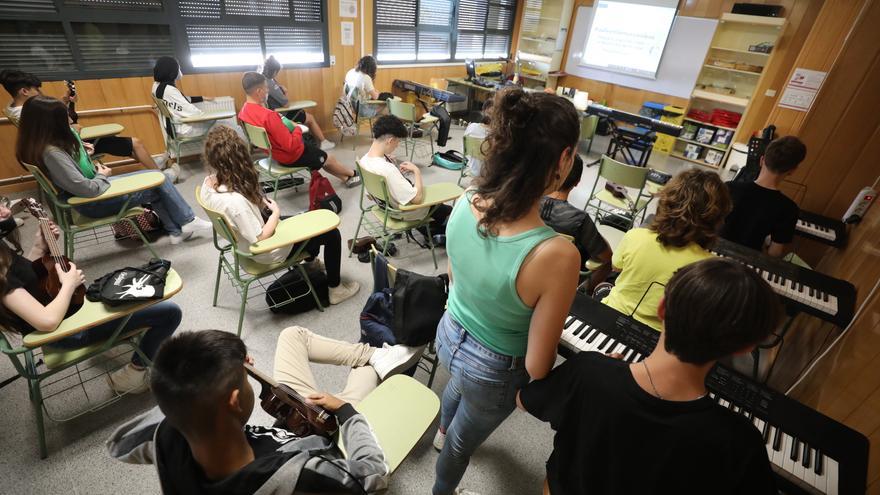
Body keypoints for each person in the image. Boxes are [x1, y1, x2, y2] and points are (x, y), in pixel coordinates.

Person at [518, 258, 780, 495]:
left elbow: (524, 400)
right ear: (746, 348)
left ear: (662, 308)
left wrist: (597, 371)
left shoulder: (589, 371)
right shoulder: (739, 442)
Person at [432, 89, 582, 495]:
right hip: (495, 368)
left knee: (455, 386)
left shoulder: (465, 200)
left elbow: (456, 274)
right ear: (564, 159)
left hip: (448, 333)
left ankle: (438, 433)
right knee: (464, 442)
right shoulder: (558, 254)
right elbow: (536, 367)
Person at [107, 327, 426, 493]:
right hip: (328, 440)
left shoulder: (170, 432)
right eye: (247, 379)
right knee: (367, 374)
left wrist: (215, 368)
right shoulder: (299, 476)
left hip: (286, 421)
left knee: (292, 337)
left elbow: (118, 443)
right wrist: (347, 414)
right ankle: (376, 359)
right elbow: (373, 475)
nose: (252, 375)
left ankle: (373, 357)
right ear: (233, 402)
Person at [0, 202, 181, 393]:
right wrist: (69, 284)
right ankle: (134, 375)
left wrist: (38, 246)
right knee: (170, 313)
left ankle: (135, 333)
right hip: (67, 332)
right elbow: (47, 322)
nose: (6, 210)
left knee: (132, 291)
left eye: (2, 203)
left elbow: (24, 277)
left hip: (70, 313)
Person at [15, 96, 212, 245]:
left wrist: (83, 153)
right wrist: (102, 174)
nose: (69, 119)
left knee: (158, 182)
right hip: (90, 202)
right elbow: (87, 189)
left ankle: (177, 231)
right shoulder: (52, 153)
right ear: (51, 124)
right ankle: (186, 221)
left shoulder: (42, 146)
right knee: (160, 180)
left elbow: (73, 175)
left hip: (89, 195)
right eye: (63, 116)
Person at [200, 125, 360, 305]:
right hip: (265, 250)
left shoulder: (208, 184)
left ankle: (310, 263)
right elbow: (259, 237)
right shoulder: (235, 203)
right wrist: (275, 213)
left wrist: (259, 204)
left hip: (241, 242)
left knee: (303, 219)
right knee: (331, 234)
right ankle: (335, 289)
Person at [599, 168, 731, 332]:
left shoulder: (635, 235)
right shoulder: (709, 266)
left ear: (666, 202)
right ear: (716, 219)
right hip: (657, 337)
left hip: (608, 317)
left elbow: (616, 267)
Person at [0, 69, 160, 170]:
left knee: (126, 145)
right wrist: (69, 120)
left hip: (64, 147)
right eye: (36, 90)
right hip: (72, 149)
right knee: (135, 143)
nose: (39, 93)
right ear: (24, 91)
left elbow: (49, 119)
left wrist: (63, 101)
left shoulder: (11, 108)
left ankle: (152, 168)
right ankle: (161, 178)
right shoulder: (29, 112)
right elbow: (70, 126)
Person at [238, 72, 360, 188]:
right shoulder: (269, 116)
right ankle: (353, 173)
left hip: (274, 153)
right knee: (327, 158)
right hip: (290, 156)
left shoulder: (244, 112)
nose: (267, 91)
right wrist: (297, 128)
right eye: (266, 88)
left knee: (321, 156)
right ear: (259, 92)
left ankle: (347, 178)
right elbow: (290, 145)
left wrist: (284, 124)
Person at [360, 115, 452, 243]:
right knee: (448, 210)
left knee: (439, 208)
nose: (397, 145)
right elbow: (417, 199)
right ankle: (440, 232)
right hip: (403, 212)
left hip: (384, 207)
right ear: (390, 140)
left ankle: (432, 229)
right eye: (398, 142)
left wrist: (391, 165)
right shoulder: (387, 170)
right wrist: (416, 171)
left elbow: (369, 196)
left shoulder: (363, 161)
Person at [539, 155, 613, 292]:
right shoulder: (579, 219)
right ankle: (582, 294)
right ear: (577, 182)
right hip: (561, 277)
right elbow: (606, 256)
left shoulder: (529, 205)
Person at [721, 136, 805, 257]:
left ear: (761, 160)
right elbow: (775, 252)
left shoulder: (729, 188)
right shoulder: (789, 208)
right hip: (748, 262)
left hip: (714, 253)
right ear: (792, 170)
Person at [151, 56, 239, 140]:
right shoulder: (169, 90)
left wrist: (202, 98)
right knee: (229, 127)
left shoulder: (156, 86)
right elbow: (192, 112)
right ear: (171, 72)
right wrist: (210, 116)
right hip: (184, 129)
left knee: (223, 125)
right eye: (178, 68)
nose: (180, 71)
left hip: (171, 127)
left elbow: (180, 100)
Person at [262, 55, 335, 151]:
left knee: (303, 113)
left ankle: (317, 141)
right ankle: (323, 142)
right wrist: (286, 91)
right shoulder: (270, 84)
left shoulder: (262, 79)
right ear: (275, 71)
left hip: (274, 114)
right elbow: (286, 104)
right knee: (310, 118)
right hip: (281, 115)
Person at [462, 98, 493, 177]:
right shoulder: (497, 134)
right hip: (490, 175)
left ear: (482, 111)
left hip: (473, 170)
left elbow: (464, 150)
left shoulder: (472, 127)